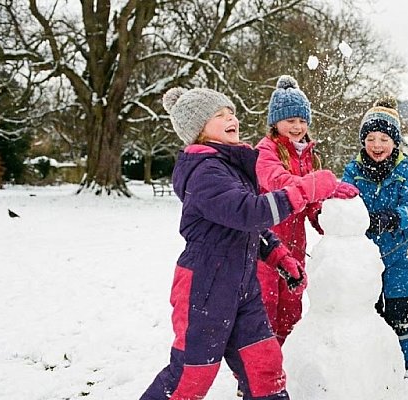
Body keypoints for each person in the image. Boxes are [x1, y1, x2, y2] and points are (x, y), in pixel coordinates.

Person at [141, 87, 346, 400]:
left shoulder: (230, 167)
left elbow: (248, 228)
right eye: (219, 115)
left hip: (242, 286)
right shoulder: (205, 172)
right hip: (205, 286)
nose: (231, 118)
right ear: (198, 130)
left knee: (264, 367)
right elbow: (250, 213)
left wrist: (279, 255)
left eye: (231, 112)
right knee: (191, 375)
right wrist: (307, 187)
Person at [255, 75, 358, 346]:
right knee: (264, 305)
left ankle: (286, 361)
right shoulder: (265, 152)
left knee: (291, 305)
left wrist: (329, 220)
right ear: (275, 122)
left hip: (295, 244)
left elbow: (311, 204)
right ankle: (254, 373)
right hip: (265, 244)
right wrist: (321, 185)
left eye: (302, 120)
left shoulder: (309, 155)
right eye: (290, 120)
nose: (297, 126)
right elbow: (278, 182)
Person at [341, 97, 408, 382]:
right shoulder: (353, 170)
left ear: (395, 142)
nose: (377, 145)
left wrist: (395, 217)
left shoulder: (405, 169)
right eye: (372, 138)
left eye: (384, 139)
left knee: (400, 311)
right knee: (369, 311)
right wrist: (355, 219)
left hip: (399, 253)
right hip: (364, 256)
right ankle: (372, 362)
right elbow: (344, 200)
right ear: (364, 140)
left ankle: (407, 364)